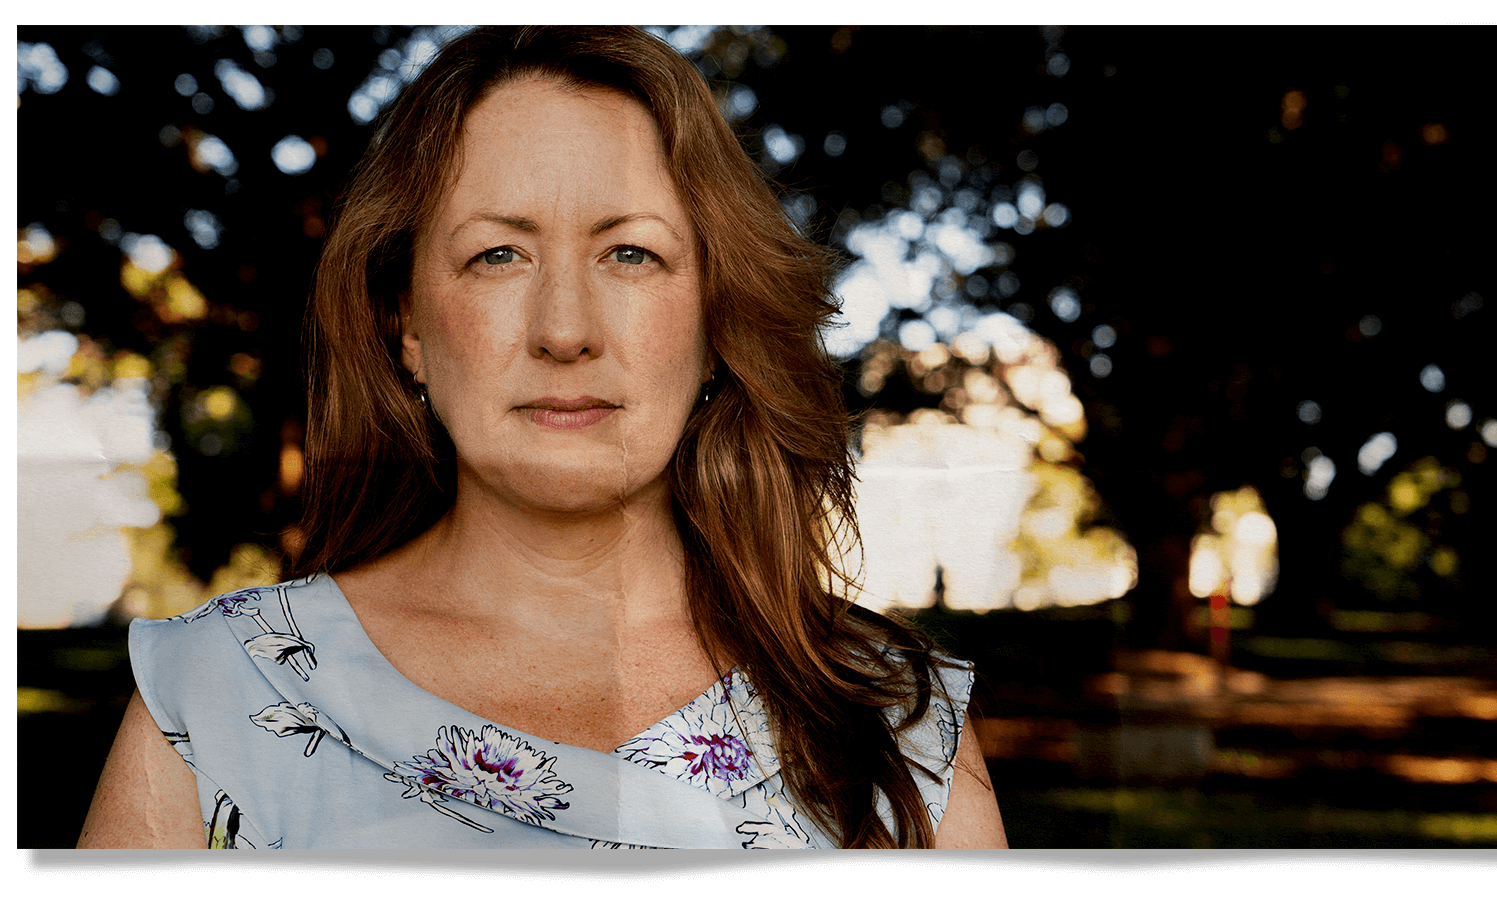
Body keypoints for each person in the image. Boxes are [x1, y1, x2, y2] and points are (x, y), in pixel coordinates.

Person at [79, 25, 1007, 849]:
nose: (565, 330)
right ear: (407, 325)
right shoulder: (215, 696)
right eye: (498, 255)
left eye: (630, 253)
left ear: (716, 322)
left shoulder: (893, 722)